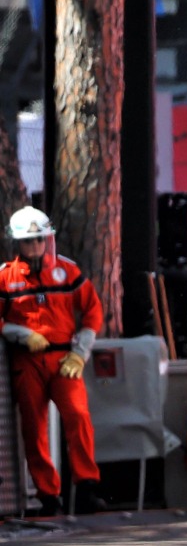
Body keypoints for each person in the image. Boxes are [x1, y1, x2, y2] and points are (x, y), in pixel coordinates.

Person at [0, 206, 106, 515]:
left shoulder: (67, 272)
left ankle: (86, 487)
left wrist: (80, 352)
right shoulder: (6, 278)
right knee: (34, 427)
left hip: (64, 358)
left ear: (48, 239)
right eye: (27, 241)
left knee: (78, 417)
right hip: (27, 360)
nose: (34, 247)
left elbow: (92, 311)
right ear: (17, 243)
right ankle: (48, 495)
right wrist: (20, 333)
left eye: (38, 240)